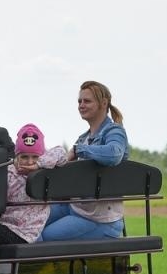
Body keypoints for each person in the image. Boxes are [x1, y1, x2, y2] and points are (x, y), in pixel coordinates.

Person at [38, 80, 128, 241]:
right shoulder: (84, 137)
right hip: (76, 207)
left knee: (43, 237)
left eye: (87, 101)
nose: (81, 105)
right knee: (31, 224)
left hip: (99, 219)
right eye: (79, 101)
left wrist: (79, 150)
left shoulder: (114, 131)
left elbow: (114, 154)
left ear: (103, 103)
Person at [0, 123, 67, 245]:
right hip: (7, 225)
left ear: (42, 157)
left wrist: (38, 165)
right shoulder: (10, 175)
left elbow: (60, 152)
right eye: (24, 157)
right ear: (17, 157)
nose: (29, 162)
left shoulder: (44, 174)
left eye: (35, 157)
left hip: (26, 234)